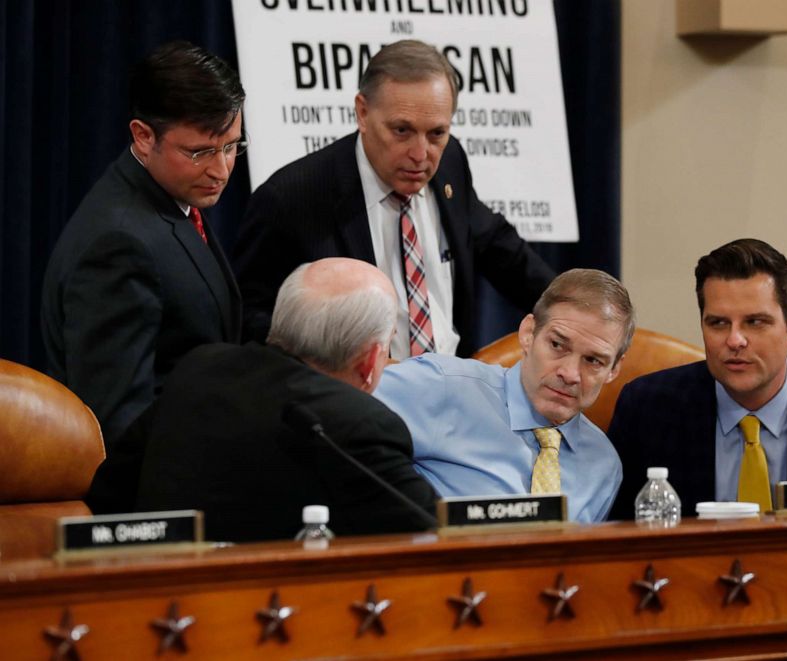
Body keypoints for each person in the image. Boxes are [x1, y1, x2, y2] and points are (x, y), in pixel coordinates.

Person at [234, 39, 555, 359]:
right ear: (362, 112)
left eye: (436, 134)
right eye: (402, 131)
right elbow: (251, 319)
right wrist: (334, 370)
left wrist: (573, 308)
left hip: (451, 389)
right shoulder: (293, 198)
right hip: (351, 400)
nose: (420, 155)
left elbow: (499, 246)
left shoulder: (450, 162)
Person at [87, 258, 437, 542]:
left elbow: (107, 495)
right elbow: (444, 537)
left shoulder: (200, 367)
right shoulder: (357, 425)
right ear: (370, 361)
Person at [41, 41, 245, 446]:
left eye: (231, 146)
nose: (221, 169)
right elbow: (117, 423)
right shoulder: (118, 244)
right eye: (200, 151)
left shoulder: (170, 196)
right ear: (143, 136)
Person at [608, 239, 787, 518]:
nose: (735, 340)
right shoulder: (649, 408)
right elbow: (618, 539)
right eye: (719, 323)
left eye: (755, 322)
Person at [374, 269, 632, 522]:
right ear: (528, 334)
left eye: (593, 360)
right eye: (557, 345)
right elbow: (338, 412)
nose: (570, 374)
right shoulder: (441, 387)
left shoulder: (603, 465)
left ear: (614, 370)